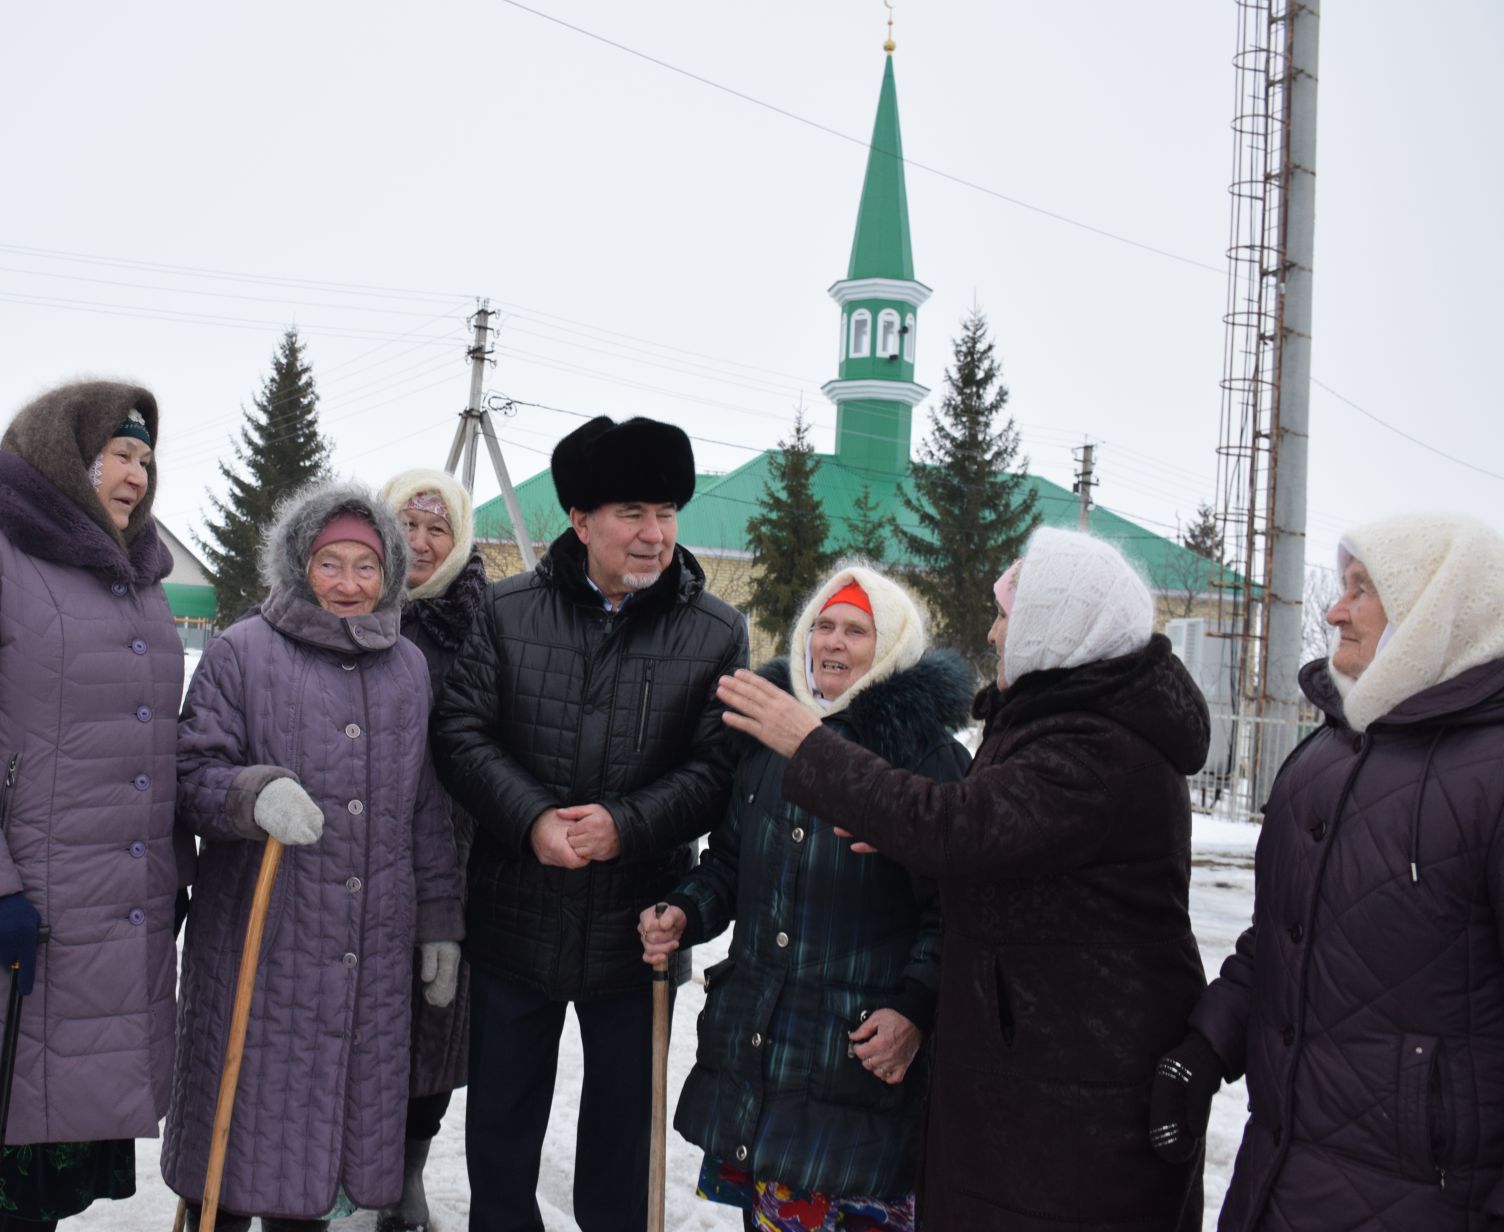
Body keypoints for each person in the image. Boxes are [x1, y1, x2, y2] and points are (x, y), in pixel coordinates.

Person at [716, 526, 1208, 1232]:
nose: (993, 632)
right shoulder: (1057, 722)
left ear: (1057, 628)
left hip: (1075, 1083)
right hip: (1034, 1069)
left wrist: (812, 746)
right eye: (824, 625)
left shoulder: (1094, 747)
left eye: (1008, 616)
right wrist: (908, 833)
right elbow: (986, 845)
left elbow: (958, 828)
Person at [431, 414, 749, 1232]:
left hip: (637, 928)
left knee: (622, 1142)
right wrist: (532, 818)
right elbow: (460, 734)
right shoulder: (505, 612)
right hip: (515, 915)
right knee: (500, 1131)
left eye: (666, 513)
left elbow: (716, 769)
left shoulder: (716, 630)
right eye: (631, 513)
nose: (655, 534)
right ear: (580, 520)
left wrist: (625, 824)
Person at [0, 381, 186, 1231]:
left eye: (147, 459)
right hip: (14, 911)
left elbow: (148, 739)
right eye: (119, 455)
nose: (137, 476)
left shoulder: (136, 574)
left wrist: (170, 872)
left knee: (46, 1171)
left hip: (110, 917)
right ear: (64, 454)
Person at [1166, 513, 1504, 1230]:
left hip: (1431, 1203)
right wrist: (1208, 1045)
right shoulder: (1320, 760)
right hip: (1273, 1181)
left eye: (1361, 589)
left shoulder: (1492, 774)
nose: (1334, 611)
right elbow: (1282, 940)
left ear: (1430, 609)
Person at [161, 480, 466, 1232]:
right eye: (331, 564)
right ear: (300, 565)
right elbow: (191, 774)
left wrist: (439, 922)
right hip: (263, 942)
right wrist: (252, 794)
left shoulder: (407, 667)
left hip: (370, 952)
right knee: (235, 1140)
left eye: (367, 567)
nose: (349, 584)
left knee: (323, 1150)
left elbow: (424, 808)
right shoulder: (241, 652)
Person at [639, 564, 973, 1232]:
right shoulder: (767, 742)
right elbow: (730, 862)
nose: (833, 642)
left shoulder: (927, 760)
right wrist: (686, 910)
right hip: (766, 1055)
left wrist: (915, 1009)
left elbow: (956, 912)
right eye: (823, 625)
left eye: (856, 630)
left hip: (857, 1063)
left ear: (892, 646)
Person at [374, 467, 489, 1232]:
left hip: (452, 848)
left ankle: (408, 1170)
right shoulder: (348, 596)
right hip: (354, 848)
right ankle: (346, 1160)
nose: (419, 542)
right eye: (406, 524)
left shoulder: (483, 623)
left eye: (436, 528)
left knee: (434, 1018)